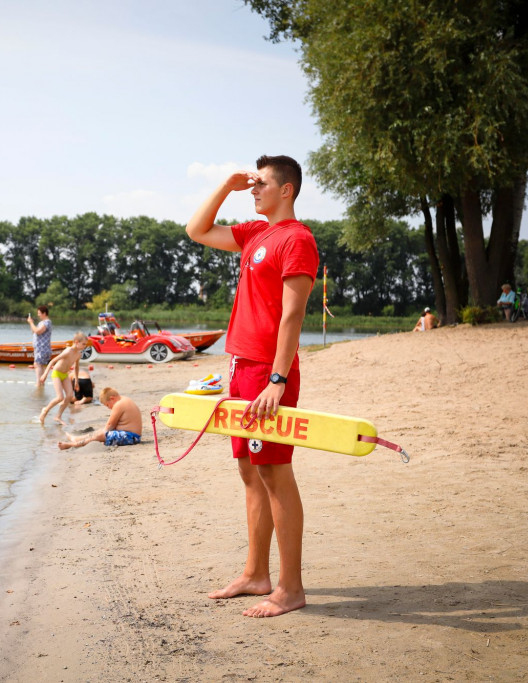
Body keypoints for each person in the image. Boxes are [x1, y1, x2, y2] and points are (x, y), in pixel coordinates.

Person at [185, 154, 318, 618]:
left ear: (287, 190)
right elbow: (197, 230)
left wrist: (278, 380)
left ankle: (291, 588)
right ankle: (256, 574)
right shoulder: (254, 234)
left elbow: (292, 314)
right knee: (249, 470)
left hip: (269, 374)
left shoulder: (297, 239)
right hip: (242, 369)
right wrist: (226, 185)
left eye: (261, 183)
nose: (253, 189)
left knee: (275, 473)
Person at [57, 387, 142, 450]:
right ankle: (77, 439)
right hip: (130, 435)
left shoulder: (118, 404)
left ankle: (74, 444)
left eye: (108, 405)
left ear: (112, 398)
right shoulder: (124, 399)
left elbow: (110, 425)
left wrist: (102, 434)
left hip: (131, 437)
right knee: (100, 432)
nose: (109, 408)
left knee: (101, 434)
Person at [39, 332, 87, 425]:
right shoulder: (68, 351)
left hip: (65, 375)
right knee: (60, 397)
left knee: (69, 395)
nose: (84, 346)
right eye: (83, 344)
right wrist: (45, 374)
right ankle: (45, 410)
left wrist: (76, 381)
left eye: (85, 344)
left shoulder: (78, 354)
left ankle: (58, 416)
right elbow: (52, 361)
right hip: (57, 373)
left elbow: (76, 367)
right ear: (76, 342)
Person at [27, 305, 52, 387]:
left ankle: (39, 383)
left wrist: (31, 323)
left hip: (42, 347)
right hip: (39, 347)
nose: (38, 315)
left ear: (44, 313)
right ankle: (41, 383)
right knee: (39, 365)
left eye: (39, 313)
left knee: (37, 364)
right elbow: (34, 331)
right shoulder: (41, 323)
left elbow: (38, 331)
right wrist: (31, 324)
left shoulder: (46, 322)